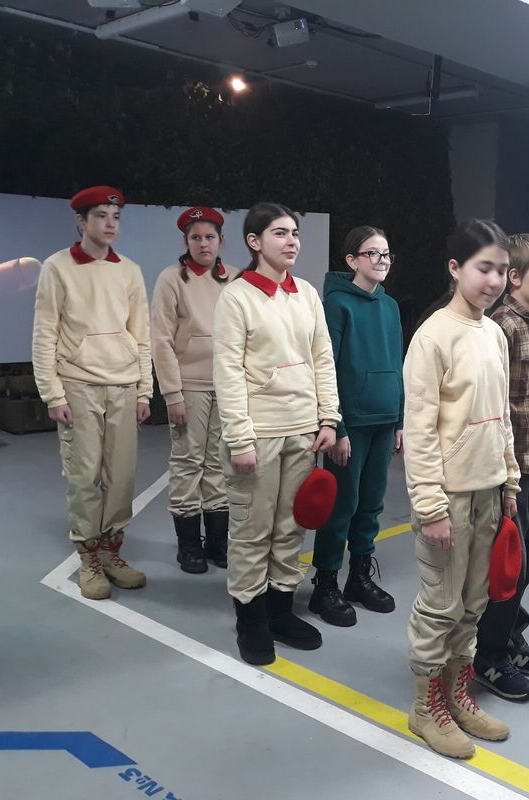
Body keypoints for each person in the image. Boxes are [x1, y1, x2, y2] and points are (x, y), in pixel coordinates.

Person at [404, 219, 521, 759]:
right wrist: (430, 507)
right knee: (441, 605)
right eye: (483, 268)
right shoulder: (433, 336)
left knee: (473, 604)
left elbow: (502, 417)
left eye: (502, 270)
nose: (494, 280)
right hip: (447, 496)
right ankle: (425, 707)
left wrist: (509, 479)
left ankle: (456, 694)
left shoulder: (493, 333)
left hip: (489, 491)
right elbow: (420, 429)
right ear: (455, 269)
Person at [213, 202, 340, 666]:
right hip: (259, 433)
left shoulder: (306, 293)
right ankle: (250, 619)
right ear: (254, 242)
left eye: (294, 233)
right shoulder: (237, 297)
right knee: (252, 529)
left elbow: (322, 358)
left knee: (290, 527)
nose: (291, 242)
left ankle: (280, 610)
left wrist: (328, 418)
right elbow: (228, 372)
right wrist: (240, 439)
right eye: (280, 233)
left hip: (303, 430)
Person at [32, 185, 152, 600]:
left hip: (123, 384)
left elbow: (141, 334)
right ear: (81, 222)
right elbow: (44, 333)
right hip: (78, 384)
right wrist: (53, 394)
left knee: (121, 475)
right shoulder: (58, 267)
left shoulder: (129, 270)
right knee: (84, 476)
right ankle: (89, 557)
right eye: (100, 216)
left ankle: (112, 552)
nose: (110, 224)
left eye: (116, 217)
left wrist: (144, 390)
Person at [474, 233, 529, 700]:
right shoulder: (500, 328)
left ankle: (510, 639)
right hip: (507, 472)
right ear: (514, 277)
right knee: (509, 566)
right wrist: (508, 472)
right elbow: (497, 407)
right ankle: (488, 656)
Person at [308, 226, 403, 626]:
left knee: (371, 504)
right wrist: (337, 426)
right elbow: (326, 369)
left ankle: (358, 577)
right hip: (351, 425)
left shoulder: (390, 305)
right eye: (372, 254)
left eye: (386, 254)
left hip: (384, 420)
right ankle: (325, 584)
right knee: (340, 506)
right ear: (352, 260)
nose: (381, 261)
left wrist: (399, 420)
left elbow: (397, 364)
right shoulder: (336, 304)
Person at [151, 206, 237, 574]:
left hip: (227, 386)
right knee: (188, 462)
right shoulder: (172, 279)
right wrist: (172, 394)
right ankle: (189, 545)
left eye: (210, 237)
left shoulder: (235, 279)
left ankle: (218, 542)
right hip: (189, 387)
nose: (203, 244)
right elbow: (160, 340)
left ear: (221, 241)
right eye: (196, 237)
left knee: (220, 463)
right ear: (186, 241)